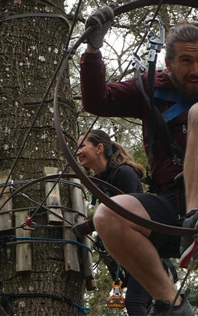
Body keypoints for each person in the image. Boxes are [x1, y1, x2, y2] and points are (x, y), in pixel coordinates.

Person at [79, 0, 198, 315]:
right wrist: (93, 50)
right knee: (107, 214)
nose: (196, 70)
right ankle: (172, 302)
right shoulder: (149, 88)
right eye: (187, 62)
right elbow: (98, 101)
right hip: (171, 202)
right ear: (169, 63)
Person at [72, 129, 154, 315]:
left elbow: (123, 213)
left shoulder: (123, 173)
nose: (78, 152)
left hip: (146, 253)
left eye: (82, 146)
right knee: (145, 307)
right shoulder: (101, 181)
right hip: (133, 256)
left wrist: (86, 227)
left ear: (99, 148)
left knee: (135, 304)